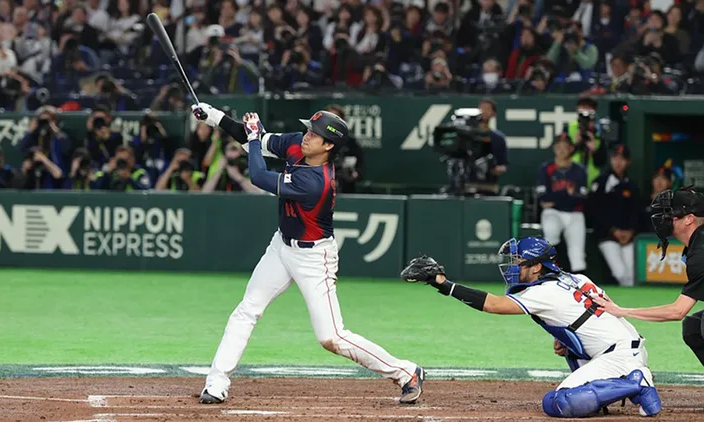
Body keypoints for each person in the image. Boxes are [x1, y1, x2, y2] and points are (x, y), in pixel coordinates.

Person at [191, 101, 424, 405]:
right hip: (281, 246)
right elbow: (255, 137)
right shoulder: (297, 144)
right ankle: (217, 382)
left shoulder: (317, 181)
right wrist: (214, 116)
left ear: (328, 146)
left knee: (331, 338)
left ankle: (406, 372)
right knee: (247, 310)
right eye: (308, 130)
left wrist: (252, 138)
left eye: (314, 134)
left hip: (314, 258)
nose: (307, 136)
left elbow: (259, 176)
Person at [400, 237, 661, 418]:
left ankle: (636, 383)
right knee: (568, 349)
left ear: (537, 266)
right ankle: (633, 386)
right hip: (631, 348)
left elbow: (494, 305)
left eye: (518, 262)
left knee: (557, 402)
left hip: (617, 357)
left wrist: (444, 284)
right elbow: (601, 313)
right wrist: (568, 336)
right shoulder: (577, 278)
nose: (513, 266)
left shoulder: (543, 292)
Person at [592, 187, 704, 366]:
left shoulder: (700, 253)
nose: (664, 219)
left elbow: (678, 311)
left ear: (689, 219)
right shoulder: (696, 243)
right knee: (693, 327)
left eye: (671, 215)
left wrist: (622, 311)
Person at [587, 145, 640, 287]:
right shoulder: (600, 182)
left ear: (628, 162)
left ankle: (632, 300)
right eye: (615, 158)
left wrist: (630, 231)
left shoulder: (632, 186)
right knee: (620, 273)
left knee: (633, 275)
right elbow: (595, 211)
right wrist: (613, 230)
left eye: (622, 159)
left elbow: (636, 212)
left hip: (628, 237)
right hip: (607, 236)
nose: (618, 162)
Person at [537, 133, 588, 273]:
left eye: (565, 147)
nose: (561, 150)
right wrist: (567, 193)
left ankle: (579, 284)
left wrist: (555, 198)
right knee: (550, 235)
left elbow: (581, 198)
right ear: (554, 148)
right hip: (553, 212)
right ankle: (552, 274)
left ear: (571, 148)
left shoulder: (579, 170)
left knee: (578, 256)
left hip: (575, 214)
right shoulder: (545, 168)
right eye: (558, 147)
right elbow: (543, 198)